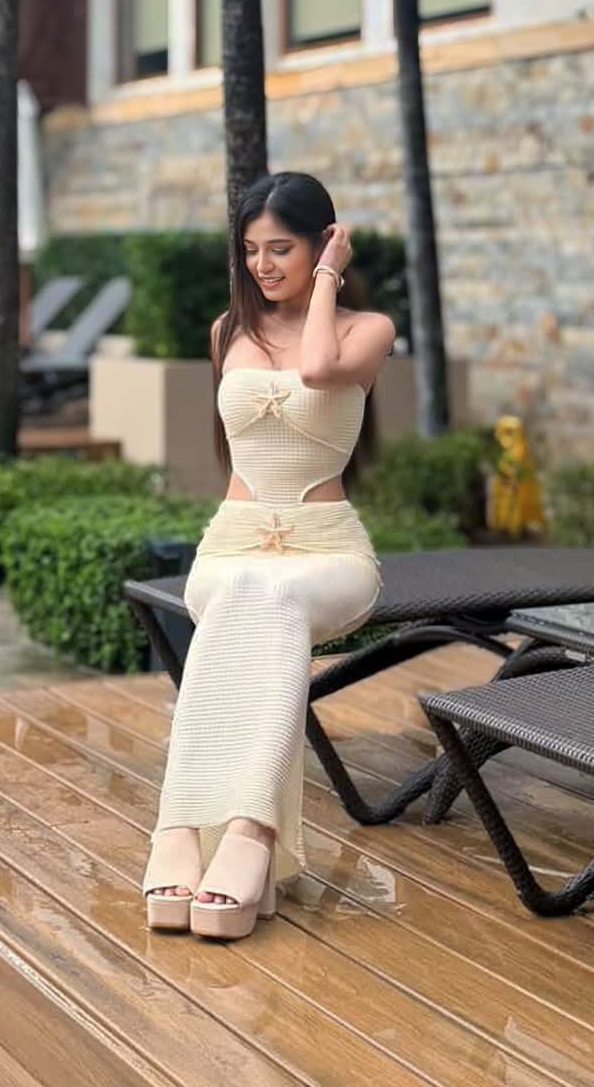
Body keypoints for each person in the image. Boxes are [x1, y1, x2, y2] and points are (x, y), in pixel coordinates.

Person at [141, 171, 395, 939]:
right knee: (251, 593)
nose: (262, 265)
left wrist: (330, 276)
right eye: (251, 250)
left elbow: (317, 370)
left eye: (281, 248)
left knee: (270, 598)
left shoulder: (367, 329)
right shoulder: (228, 332)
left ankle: (194, 830)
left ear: (324, 242)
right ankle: (243, 840)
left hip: (329, 552)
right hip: (232, 546)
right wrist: (313, 268)